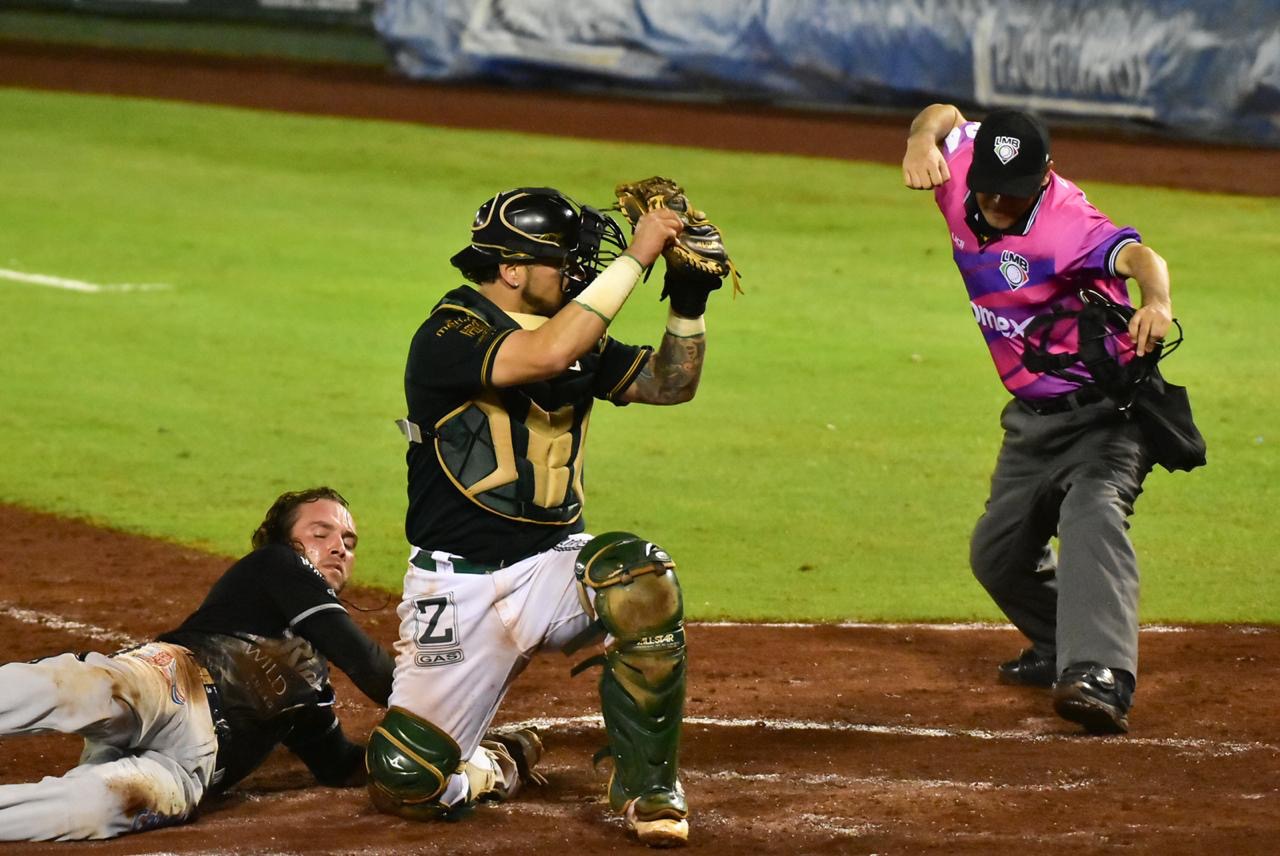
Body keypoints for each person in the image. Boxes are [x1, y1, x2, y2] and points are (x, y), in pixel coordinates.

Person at [367, 186, 721, 847]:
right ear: (510, 269)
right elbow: (545, 356)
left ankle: (650, 788)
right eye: (566, 261)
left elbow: (671, 384)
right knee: (405, 778)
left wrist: (689, 302)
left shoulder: (576, 334)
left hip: (551, 569)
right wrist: (640, 255)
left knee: (637, 576)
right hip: (458, 584)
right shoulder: (450, 331)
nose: (581, 273)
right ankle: (498, 763)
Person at [902, 105, 1175, 734]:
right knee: (997, 555)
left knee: (1092, 513)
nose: (997, 203)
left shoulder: (1067, 220)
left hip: (1107, 414)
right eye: (989, 191)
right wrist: (920, 139)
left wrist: (1156, 301)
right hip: (1031, 419)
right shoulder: (961, 165)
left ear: (1044, 174)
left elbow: (1141, 258)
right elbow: (944, 114)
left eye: (1013, 193)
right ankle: (1059, 646)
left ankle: (1100, 673)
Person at [0, 487, 396, 840]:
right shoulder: (276, 564)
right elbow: (368, 664)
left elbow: (339, 765)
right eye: (320, 533)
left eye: (349, 540)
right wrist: (438, 709)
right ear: (283, 541)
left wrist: (435, 766)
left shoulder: (312, 688)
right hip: (170, 682)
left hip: (189, 770)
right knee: (74, 689)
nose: (340, 547)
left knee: (98, 808)